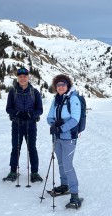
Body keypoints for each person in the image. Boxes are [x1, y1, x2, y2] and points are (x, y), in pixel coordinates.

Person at [46, 74, 82, 208]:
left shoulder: (73, 99)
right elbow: (49, 116)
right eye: (58, 85)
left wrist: (60, 128)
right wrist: (53, 125)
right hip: (57, 137)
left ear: (67, 86)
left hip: (69, 138)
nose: (60, 87)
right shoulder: (56, 99)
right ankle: (64, 185)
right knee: (60, 163)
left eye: (63, 85)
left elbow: (75, 119)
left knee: (67, 165)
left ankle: (74, 194)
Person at [3, 67, 43, 182]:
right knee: (15, 148)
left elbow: (40, 109)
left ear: (28, 77)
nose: (22, 78)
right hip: (17, 124)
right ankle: (13, 172)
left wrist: (31, 114)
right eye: (20, 77)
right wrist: (17, 113)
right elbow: (8, 108)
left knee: (32, 148)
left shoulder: (34, 92)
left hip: (31, 125)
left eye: (24, 76)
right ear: (18, 78)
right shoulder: (13, 91)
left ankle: (34, 173)